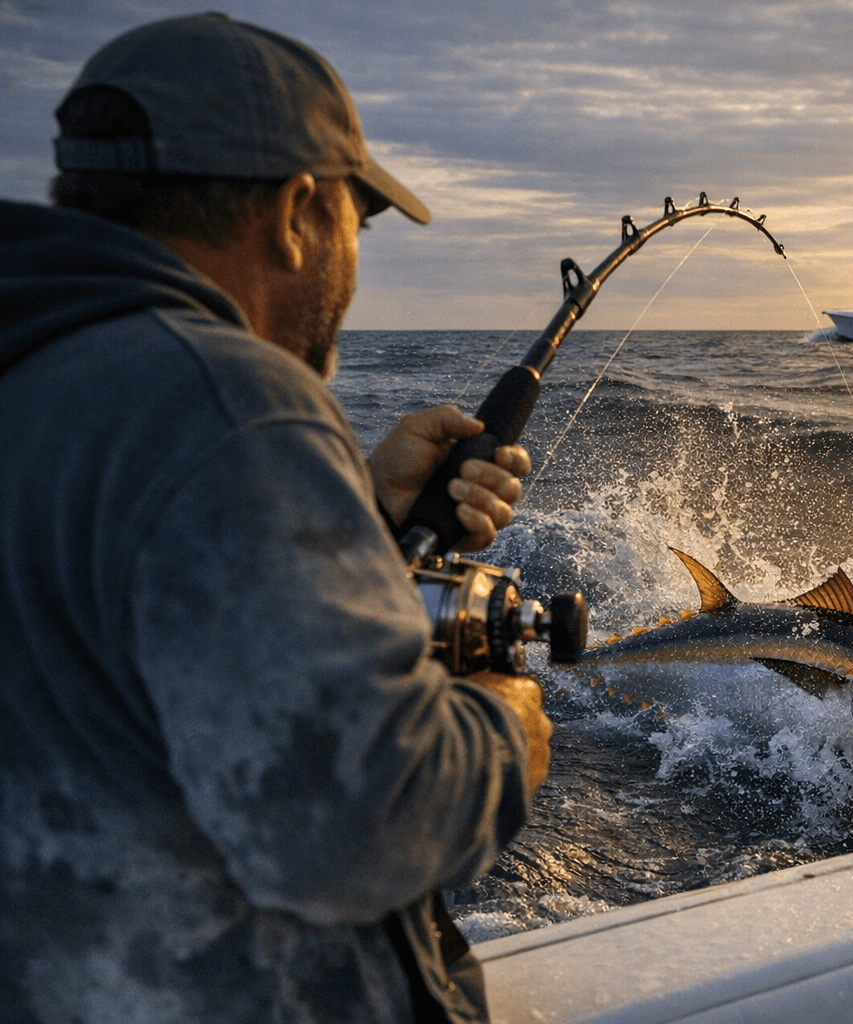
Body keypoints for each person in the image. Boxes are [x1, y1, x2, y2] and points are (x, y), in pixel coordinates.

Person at [0, 14, 552, 1024]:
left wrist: (363, 517)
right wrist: (503, 732)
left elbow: (107, 648)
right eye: (356, 220)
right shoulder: (228, 405)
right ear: (299, 211)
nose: (351, 258)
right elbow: (350, 824)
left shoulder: (39, 371)